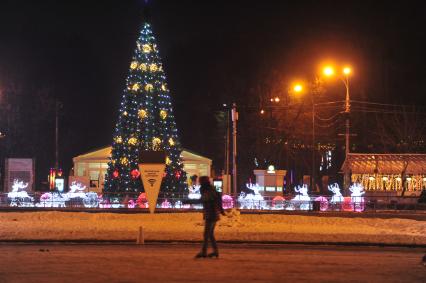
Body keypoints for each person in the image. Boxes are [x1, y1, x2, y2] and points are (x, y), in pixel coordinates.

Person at [185, 176, 225, 258]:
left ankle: (204, 252)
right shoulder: (210, 189)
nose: (199, 183)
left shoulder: (207, 190)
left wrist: (188, 201)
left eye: (200, 181)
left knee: (206, 234)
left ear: (203, 182)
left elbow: (202, 199)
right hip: (213, 214)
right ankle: (215, 251)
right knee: (210, 234)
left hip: (211, 214)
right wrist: (221, 210)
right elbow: (217, 198)